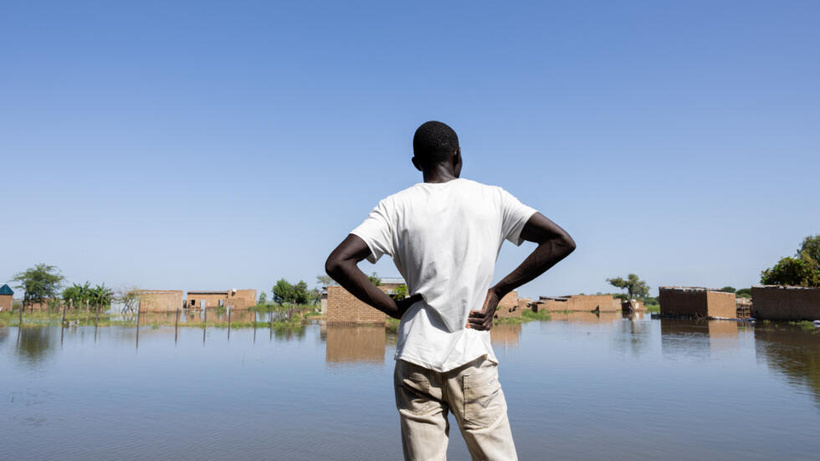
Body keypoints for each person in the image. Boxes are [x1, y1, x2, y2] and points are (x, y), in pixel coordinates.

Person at [325, 121, 575, 460]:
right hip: (471, 354)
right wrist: (499, 291)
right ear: (457, 156)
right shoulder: (492, 199)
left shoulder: (394, 207)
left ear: (416, 163)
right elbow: (561, 241)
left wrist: (393, 308)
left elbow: (338, 262)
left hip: (415, 356)